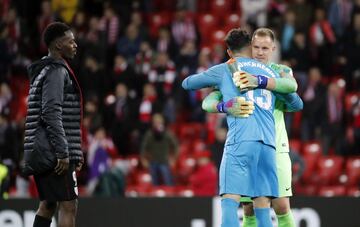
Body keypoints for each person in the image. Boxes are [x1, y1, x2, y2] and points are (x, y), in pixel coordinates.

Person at [182, 28, 297, 227]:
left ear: (229, 52)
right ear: (250, 48)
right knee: (260, 203)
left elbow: (188, 83)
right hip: (269, 145)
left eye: (265, 48)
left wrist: (224, 103)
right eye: (257, 48)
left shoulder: (227, 68)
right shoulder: (273, 73)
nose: (260, 52)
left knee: (230, 199)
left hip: (241, 141)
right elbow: (296, 100)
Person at [23, 22, 83, 227]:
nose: (75, 44)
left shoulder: (43, 69)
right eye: (70, 41)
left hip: (42, 148)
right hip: (53, 151)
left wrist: (76, 152)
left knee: (49, 204)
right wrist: (63, 153)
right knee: (69, 205)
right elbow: (50, 112)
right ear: (58, 45)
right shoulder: (56, 71)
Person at [140, 113, 178, 186]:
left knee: (168, 183)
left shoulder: (167, 133)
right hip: (152, 162)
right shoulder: (149, 134)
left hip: (164, 162)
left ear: (162, 122)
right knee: (154, 185)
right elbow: (143, 148)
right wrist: (143, 159)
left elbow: (175, 145)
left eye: (159, 122)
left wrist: (174, 158)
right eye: (155, 122)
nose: (157, 123)